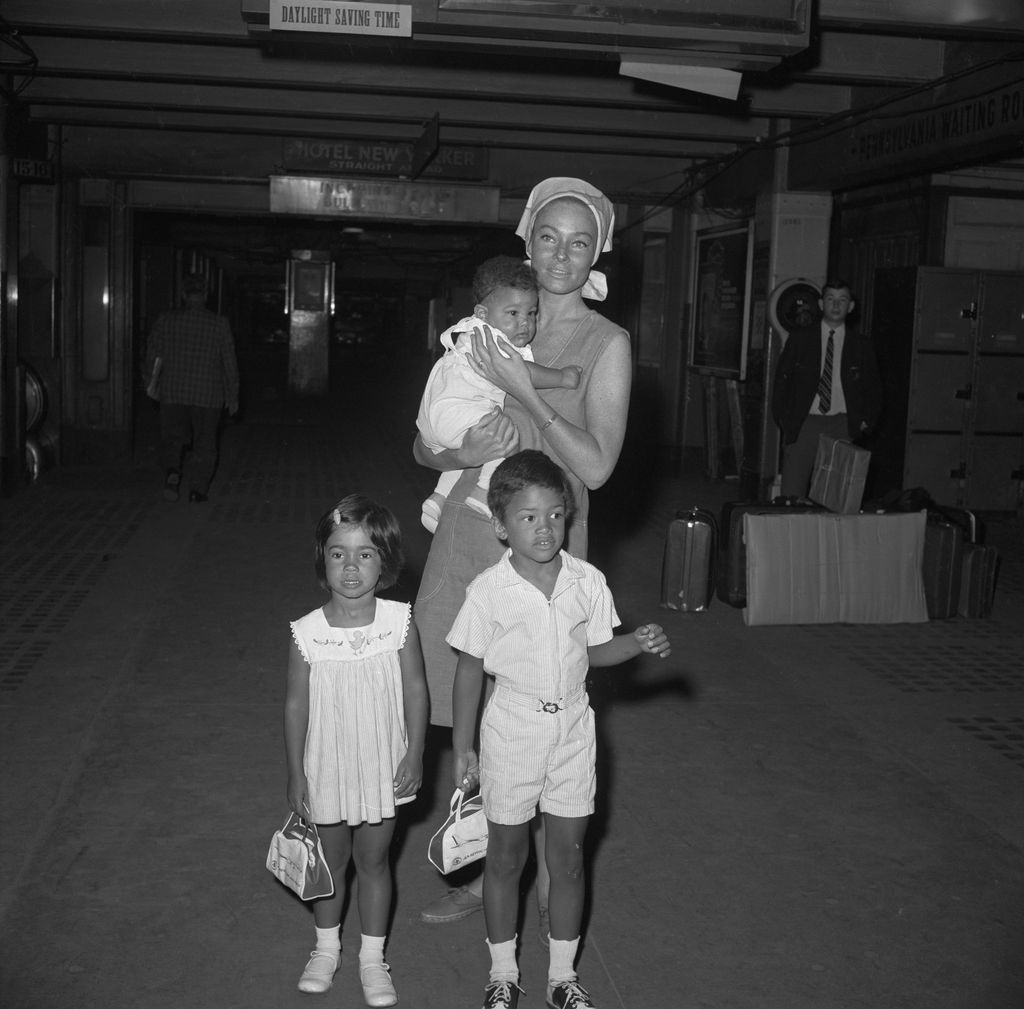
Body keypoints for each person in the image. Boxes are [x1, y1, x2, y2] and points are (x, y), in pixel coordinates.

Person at [413, 177, 632, 929]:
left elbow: (598, 467)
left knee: (548, 711)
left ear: (599, 248)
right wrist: (458, 444)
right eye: (548, 236)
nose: (562, 254)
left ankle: (549, 868)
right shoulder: (497, 318)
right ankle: (486, 865)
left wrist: (525, 390)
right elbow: (422, 441)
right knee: (478, 716)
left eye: (580, 241)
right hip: (470, 537)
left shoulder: (607, 343)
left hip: (545, 552)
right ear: (527, 240)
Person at [448, 451, 672, 1009]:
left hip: (573, 727)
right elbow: (469, 667)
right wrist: (463, 745)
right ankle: (502, 972)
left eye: (554, 515)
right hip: (511, 729)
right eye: (527, 517)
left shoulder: (586, 582)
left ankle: (562, 976)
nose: (543, 528)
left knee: (568, 858)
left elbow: (593, 652)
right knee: (506, 857)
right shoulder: (488, 591)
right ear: (501, 526)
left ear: (567, 516)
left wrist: (636, 644)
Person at [284, 495, 428, 1004]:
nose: (351, 566)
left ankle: (372, 957)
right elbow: (296, 706)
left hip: (381, 765)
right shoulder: (307, 632)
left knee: (374, 860)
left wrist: (414, 753)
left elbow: (415, 689)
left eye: (365, 554)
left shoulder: (398, 621)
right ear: (322, 559)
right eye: (339, 553)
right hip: (327, 763)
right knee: (331, 860)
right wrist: (297, 773)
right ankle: (326, 948)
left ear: (386, 561)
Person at [416, 255, 581, 532]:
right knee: (504, 437)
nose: (525, 323)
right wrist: (563, 377)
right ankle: (483, 492)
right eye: (513, 313)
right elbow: (524, 373)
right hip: (456, 411)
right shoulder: (490, 340)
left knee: (469, 446)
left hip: (434, 421)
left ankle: (438, 498)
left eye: (531, 313)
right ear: (482, 314)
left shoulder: (470, 331)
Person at [771, 278, 882, 500]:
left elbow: (873, 387)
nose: (836, 305)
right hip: (805, 422)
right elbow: (782, 382)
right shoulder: (800, 339)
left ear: (850, 307)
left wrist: (865, 421)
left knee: (837, 495)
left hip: (842, 423)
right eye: (831, 299)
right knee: (793, 491)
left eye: (842, 300)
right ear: (821, 304)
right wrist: (785, 419)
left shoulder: (861, 345)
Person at [144, 272, 240, 503]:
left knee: (172, 438)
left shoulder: (166, 320)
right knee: (205, 443)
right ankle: (198, 490)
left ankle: (173, 473)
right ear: (205, 295)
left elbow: (153, 356)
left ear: (184, 294)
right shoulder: (219, 324)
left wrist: (151, 384)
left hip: (173, 392)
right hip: (208, 395)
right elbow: (229, 362)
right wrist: (233, 396)